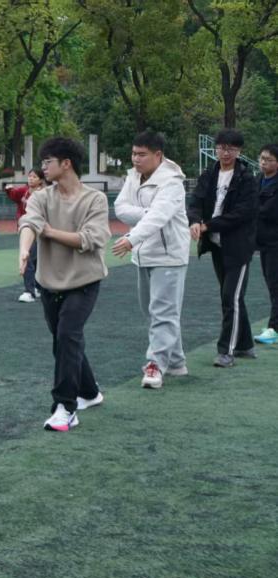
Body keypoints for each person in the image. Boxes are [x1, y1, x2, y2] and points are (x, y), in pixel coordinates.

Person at [18, 137, 110, 432]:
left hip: (84, 281)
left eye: (47, 162)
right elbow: (29, 223)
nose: (42, 168)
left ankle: (65, 407)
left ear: (66, 164)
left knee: (68, 335)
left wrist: (50, 232)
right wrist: (24, 249)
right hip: (49, 283)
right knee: (63, 340)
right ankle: (90, 392)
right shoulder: (41, 197)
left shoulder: (94, 199)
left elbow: (90, 239)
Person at [113, 131, 191, 389]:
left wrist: (132, 238)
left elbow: (160, 216)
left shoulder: (172, 182)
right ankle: (176, 361)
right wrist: (147, 213)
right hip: (144, 254)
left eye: (142, 154)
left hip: (168, 256)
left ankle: (155, 364)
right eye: (134, 153)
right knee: (151, 310)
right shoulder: (133, 176)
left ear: (158, 155)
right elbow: (121, 208)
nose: (136, 159)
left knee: (162, 312)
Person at [187, 128, 258, 367]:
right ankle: (245, 345)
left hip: (238, 247)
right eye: (222, 148)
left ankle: (226, 351)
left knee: (230, 297)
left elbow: (242, 214)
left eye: (231, 149)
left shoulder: (246, 178)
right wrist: (194, 221)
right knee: (231, 297)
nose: (226, 153)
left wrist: (208, 225)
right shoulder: (209, 173)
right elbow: (195, 201)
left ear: (239, 151)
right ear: (216, 149)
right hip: (216, 245)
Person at [6, 168, 49, 302]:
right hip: (26, 229)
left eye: (34, 177)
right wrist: (8, 189)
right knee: (29, 257)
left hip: (41, 230)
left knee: (36, 259)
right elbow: (14, 195)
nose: (31, 179)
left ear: (41, 180)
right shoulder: (24, 191)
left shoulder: (45, 193)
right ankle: (30, 290)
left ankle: (35, 288)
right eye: (30, 176)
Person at [253, 143, 278, 345]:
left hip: (275, 241)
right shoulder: (258, 180)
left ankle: (274, 328)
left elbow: (268, 211)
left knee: (275, 285)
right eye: (262, 158)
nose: (264, 163)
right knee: (271, 284)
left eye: (269, 160)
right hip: (263, 242)